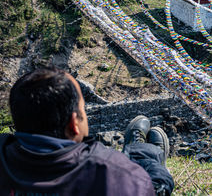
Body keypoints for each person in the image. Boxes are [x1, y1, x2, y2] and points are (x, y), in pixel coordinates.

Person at [0, 67, 174, 195]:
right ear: (74, 124)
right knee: (157, 181)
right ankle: (143, 153)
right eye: (83, 109)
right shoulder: (119, 176)